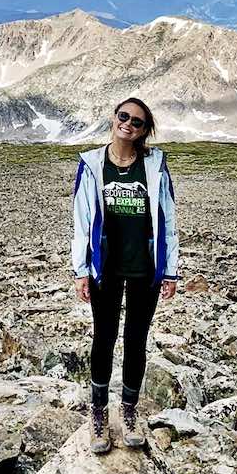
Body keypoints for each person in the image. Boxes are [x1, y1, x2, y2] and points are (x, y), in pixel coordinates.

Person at [71, 97, 179, 453]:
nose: (129, 124)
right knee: (104, 337)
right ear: (113, 117)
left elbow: (168, 219)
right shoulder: (91, 165)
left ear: (144, 130)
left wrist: (171, 270)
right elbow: (82, 221)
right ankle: (98, 413)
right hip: (106, 267)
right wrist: (81, 270)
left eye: (137, 122)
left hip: (144, 267)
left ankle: (129, 410)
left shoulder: (155, 165)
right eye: (124, 117)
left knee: (136, 339)